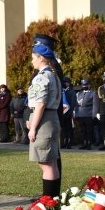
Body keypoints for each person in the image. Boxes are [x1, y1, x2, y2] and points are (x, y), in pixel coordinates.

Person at [27, 34, 63, 198]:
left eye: (34, 58)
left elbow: (40, 103)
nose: (32, 61)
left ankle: (48, 202)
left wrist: (33, 127)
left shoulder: (42, 77)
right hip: (51, 118)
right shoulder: (53, 75)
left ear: (41, 58)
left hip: (44, 121)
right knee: (51, 162)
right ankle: (51, 200)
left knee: (46, 163)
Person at [75, 79, 97, 150]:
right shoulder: (79, 93)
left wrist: (94, 114)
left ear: (89, 85)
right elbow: (76, 104)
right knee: (82, 130)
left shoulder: (93, 93)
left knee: (89, 130)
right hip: (80, 114)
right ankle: (84, 143)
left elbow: (95, 104)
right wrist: (76, 113)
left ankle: (89, 144)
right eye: (83, 85)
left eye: (86, 85)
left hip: (89, 114)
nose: (84, 86)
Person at [60, 77, 78, 149]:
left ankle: (69, 142)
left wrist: (70, 112)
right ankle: (64, 142)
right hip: (62, 113)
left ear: (68, 83)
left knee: (69, 128)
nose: (64, 83)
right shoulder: (61, 91)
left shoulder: (71, 91)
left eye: (65, 82)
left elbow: (73, 102)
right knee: (64, 128)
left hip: (69, 113)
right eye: (63, 82)